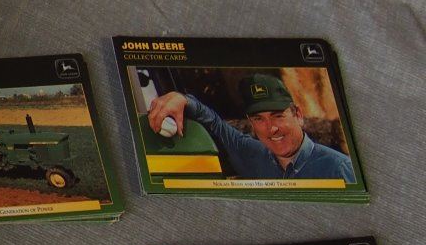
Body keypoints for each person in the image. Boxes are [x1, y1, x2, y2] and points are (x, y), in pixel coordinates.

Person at [145, 73, 355, 182]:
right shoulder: (252, 154)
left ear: (298, 115)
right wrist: (180, 99)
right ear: (251, 122)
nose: (271, 128)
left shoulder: (338, 168)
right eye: (259, 119)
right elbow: (215, 123)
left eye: (278, 116)